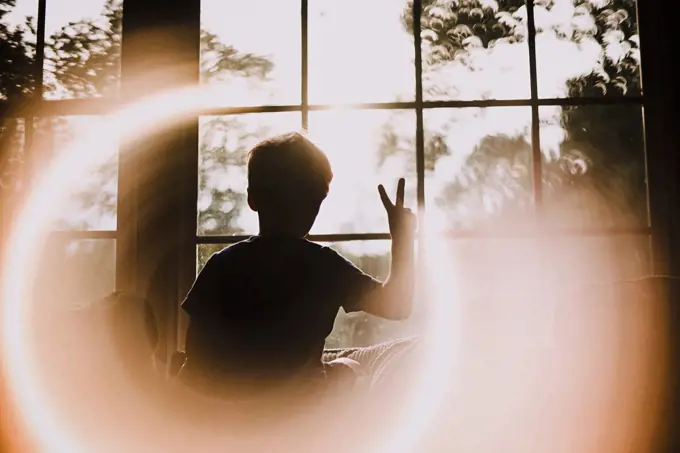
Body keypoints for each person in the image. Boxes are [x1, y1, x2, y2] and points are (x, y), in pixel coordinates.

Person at [179, 131, 416, 396]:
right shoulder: (324, 266)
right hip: (298, 407)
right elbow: (397, 305)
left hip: (234, 409)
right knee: (351, 368)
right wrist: (402, 239)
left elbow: (195, 356)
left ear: (252, 198)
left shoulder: (222, 265)